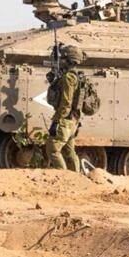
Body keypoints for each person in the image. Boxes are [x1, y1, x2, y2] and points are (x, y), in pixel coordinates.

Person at [46, 44, 86, 172]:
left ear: (69, 60)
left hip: (65, 120)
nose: (61, 61)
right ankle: (76, 177)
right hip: (73, 120)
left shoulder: (68, 78)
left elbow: (66, 103)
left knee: (53, 149)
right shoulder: (76, 76)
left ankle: (63, 177)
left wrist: (57, 121)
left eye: (63, 58)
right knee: (69, 151)